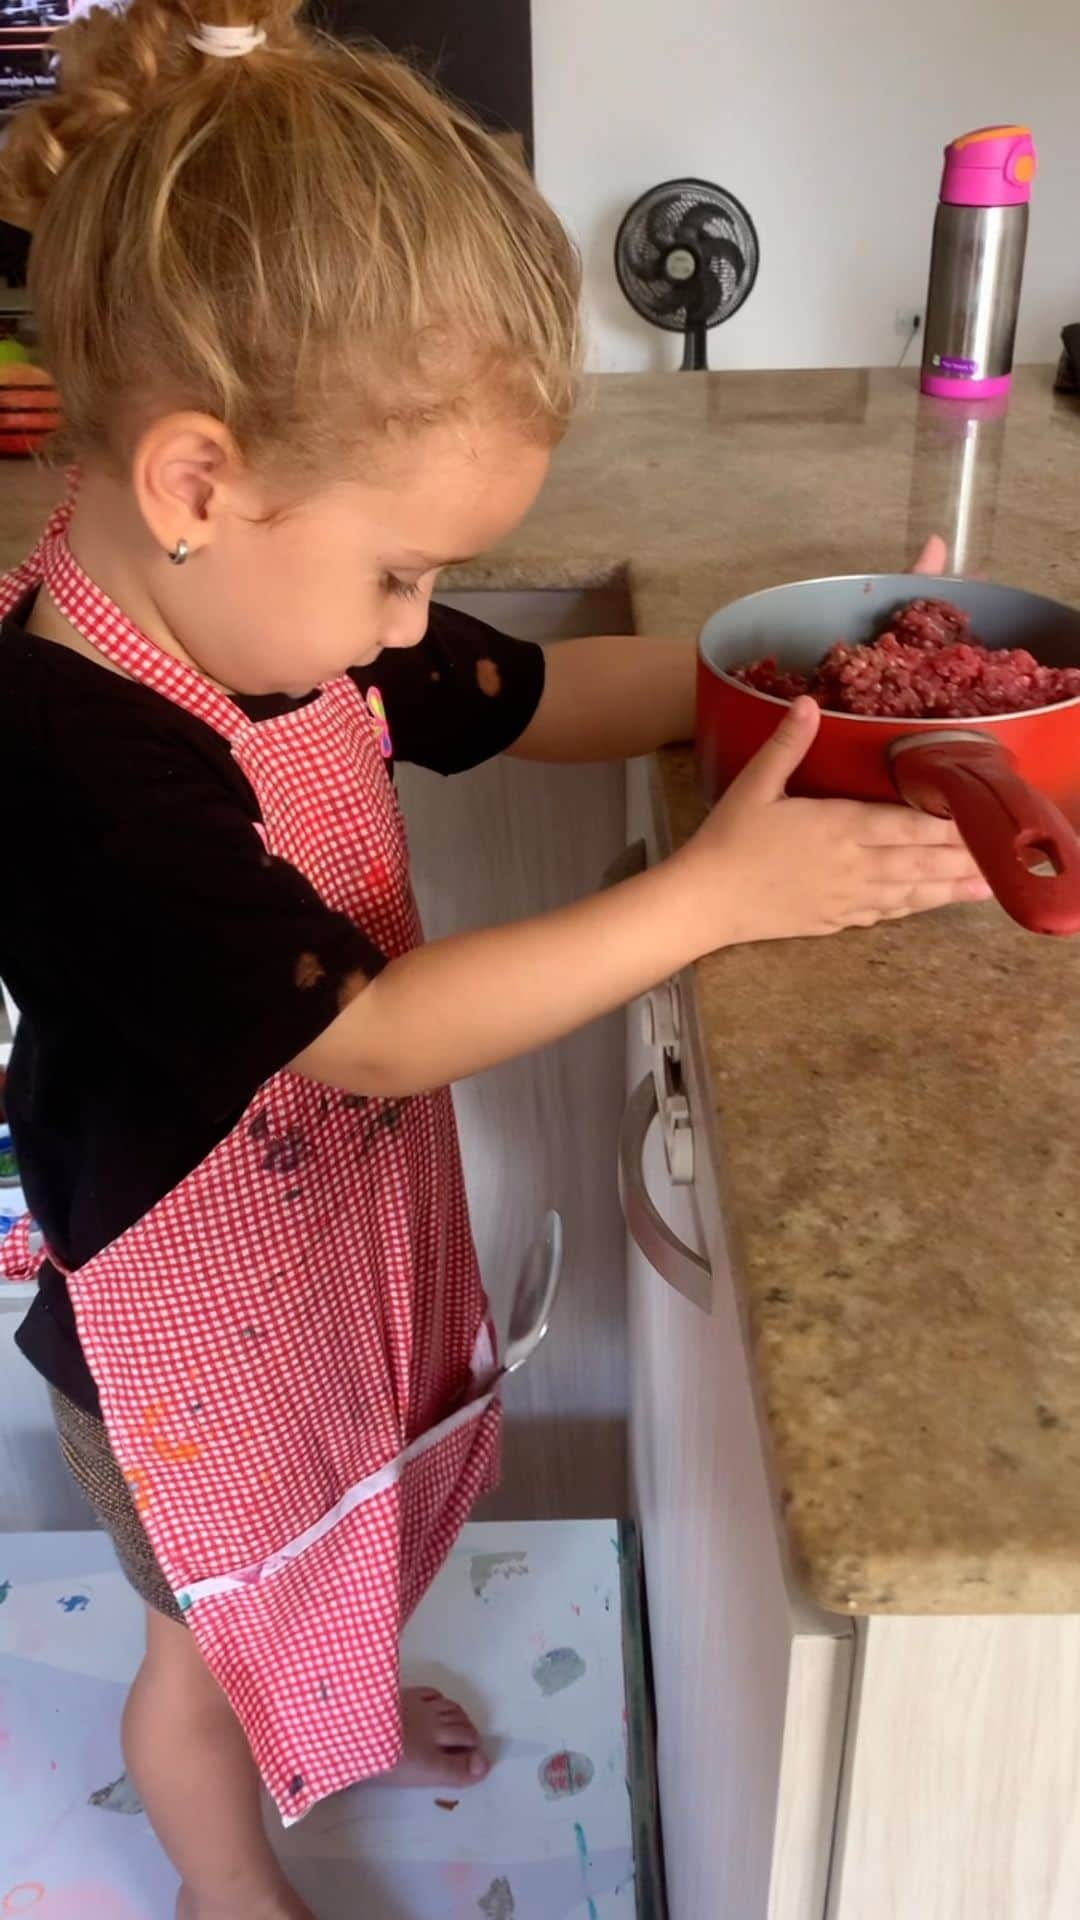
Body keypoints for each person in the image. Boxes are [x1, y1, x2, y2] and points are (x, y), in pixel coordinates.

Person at [0, 3, 987, 1914]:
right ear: (199, 481)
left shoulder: (278, 603)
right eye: (397, 574)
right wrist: (709, 895)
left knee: (345, 1532)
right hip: (171, 1329)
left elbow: (540, 698)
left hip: (312, 1253)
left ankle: (341, 1704)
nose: (415, 623)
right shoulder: (69, 747)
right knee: (210, 1638)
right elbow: (363, 1040)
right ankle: (230, 1877)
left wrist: (805, 686)